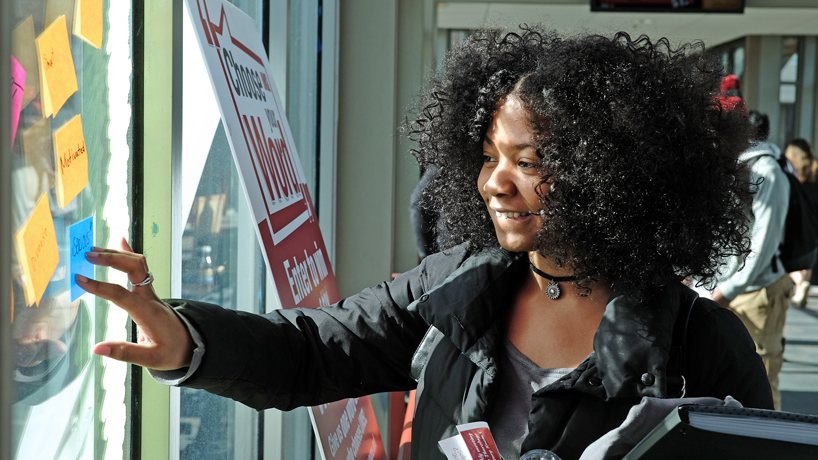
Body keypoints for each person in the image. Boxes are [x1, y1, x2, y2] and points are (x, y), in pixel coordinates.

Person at [78, 27, 774, 460]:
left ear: (610, 175)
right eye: (488, 155)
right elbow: (311, 352)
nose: (493, 183)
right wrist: (185, 342)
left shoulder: (702, 347)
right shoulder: (457, 285)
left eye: (528, 162)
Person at [710, 110, 793, 411]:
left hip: (757, 292)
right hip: (727, 289)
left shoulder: (768, 172)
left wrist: (725, 291)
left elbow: (764, 243)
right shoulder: (733, 167)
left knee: (763, 383)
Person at [785, 138, 818, 307]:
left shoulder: (791, 179)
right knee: (807, 262)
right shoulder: (815, 179)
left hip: (796, 228)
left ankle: (800, 285)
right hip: (813, 232)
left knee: (789, 261)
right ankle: (802, 289)